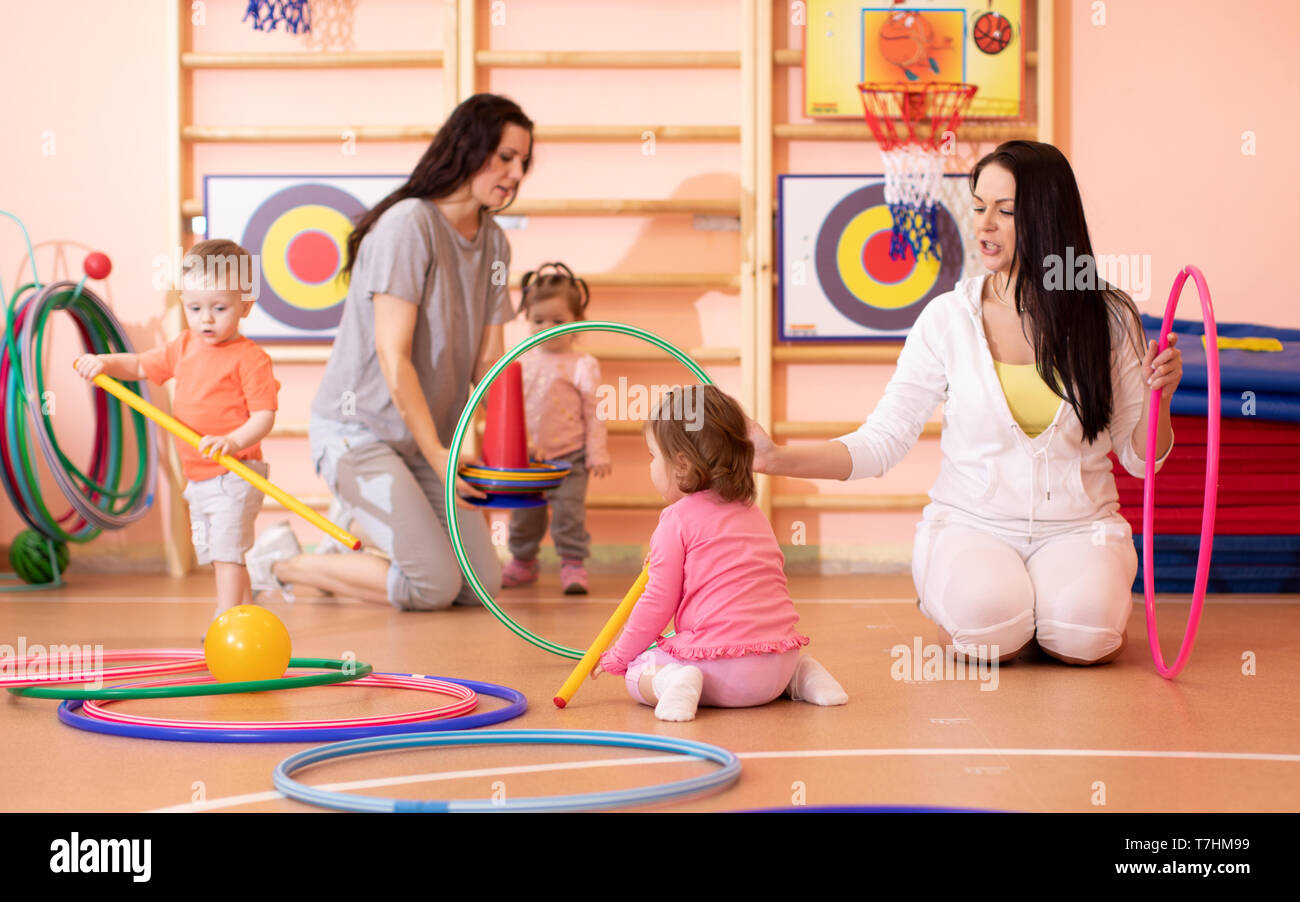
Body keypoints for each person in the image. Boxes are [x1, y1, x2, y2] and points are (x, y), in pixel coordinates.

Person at [748, 141, 1183, 666]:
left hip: (1079, 526)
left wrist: (1162, 401)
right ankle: (964, 600)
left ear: (1048, 215)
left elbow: (1140, 460)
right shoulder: (947, 318)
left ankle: (1060, 617)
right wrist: (775, 458)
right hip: (973, 524)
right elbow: (882, 441)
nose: (984, 225)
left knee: (1084, 639)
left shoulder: (1109, 317)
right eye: (978, 207)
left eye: (1005, 211)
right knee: (990, 629)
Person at [245, 93, 532, 611]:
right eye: (505, 156)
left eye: (523, 162)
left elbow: (490, 364)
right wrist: (440, 455)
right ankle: (283, 562)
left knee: (480, 586)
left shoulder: (494, 244)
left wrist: (508, 452)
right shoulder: (408, 225)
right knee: (433, 587)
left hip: (424, 441)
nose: (516, 173)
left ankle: (363, 515)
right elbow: (393, 356)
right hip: (359, 434)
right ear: (470, 147)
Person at [593, 385, 847, 722]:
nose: (651, 465)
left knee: (638, 670)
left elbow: (657, 602)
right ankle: (803, 675)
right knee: (767, 644)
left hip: (723, 677)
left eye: (653, 456)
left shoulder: (676, 520)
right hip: (777, 667)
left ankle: (675, 681)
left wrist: (618, 656)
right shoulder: (752, 512)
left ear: (681, 465)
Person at [74, 239, 278, 623]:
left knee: (226, 551)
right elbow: (136, 366)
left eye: (220, 308)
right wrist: (102, 362)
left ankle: (227, 619)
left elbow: (264, 416)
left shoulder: (250, 359)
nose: (206, 319)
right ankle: (248, 614)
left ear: (245, 306)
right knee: (223, 554)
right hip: (198, 476)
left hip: (237, 472)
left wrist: (233, 441)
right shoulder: (183, 347)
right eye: (194, 307)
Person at [501, 262, 611, 595]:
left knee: (569, 514)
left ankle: (573, 564)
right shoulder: (520, 360)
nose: (548, 327)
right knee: (525, 516)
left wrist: (596, 452)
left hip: (571, 457)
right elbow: (509, 412)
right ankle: (523, 562)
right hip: (529, 458)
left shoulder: (582, 364)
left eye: (558, 321)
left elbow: (594, 411)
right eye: (539, 321)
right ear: (528, 321)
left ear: (578, 322)